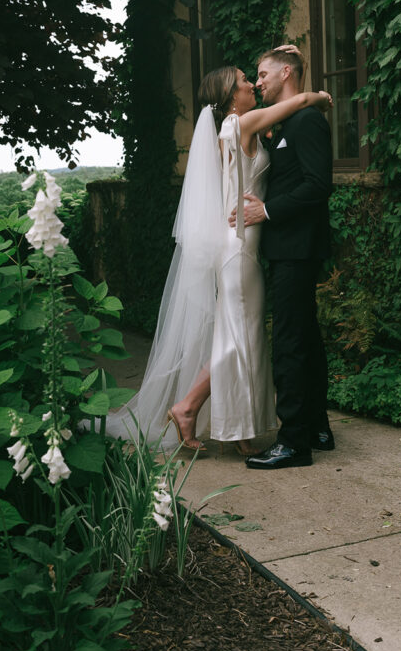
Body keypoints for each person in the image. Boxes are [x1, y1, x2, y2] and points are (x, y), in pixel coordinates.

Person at [104, 63, 333, 455]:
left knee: (238, 337)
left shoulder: (247, 126)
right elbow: (302, 100)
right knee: (240, 339)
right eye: (247, 81)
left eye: (257, 78)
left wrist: (298, 66)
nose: (253, 86)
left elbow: (287, 99)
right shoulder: (235, 125)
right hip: (239, 247)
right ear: (230, 95)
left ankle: (208, 415)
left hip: (244, 247)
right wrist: (319, 95)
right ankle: (197, 411)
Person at [229, 45, 334, 470]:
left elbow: (317, 185)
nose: (258, 82)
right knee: (305, 336)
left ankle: (293, 443)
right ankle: (316, 427)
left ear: (286, 71)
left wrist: (266, 210)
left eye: (263, 73)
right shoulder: (288, 118)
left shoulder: (307, 121)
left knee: (290, 341)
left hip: (297, 245)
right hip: (291, 246)